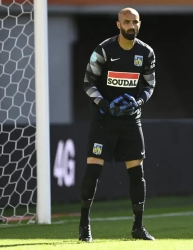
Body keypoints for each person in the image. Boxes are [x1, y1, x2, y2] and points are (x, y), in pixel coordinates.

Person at [78, 7, 156, 242]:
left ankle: (138, 227)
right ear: (118, 24)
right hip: (104, 119)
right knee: (93, 170)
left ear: (139, 24)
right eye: (126, 22)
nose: (131, 26)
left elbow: (150, 85)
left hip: (131, 120)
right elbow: (88, 82)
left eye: (135, 22)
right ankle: (84, 227)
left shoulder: (147, 53)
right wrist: (105, 103)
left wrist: (139, 101)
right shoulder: (103, 49)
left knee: (137, 172)